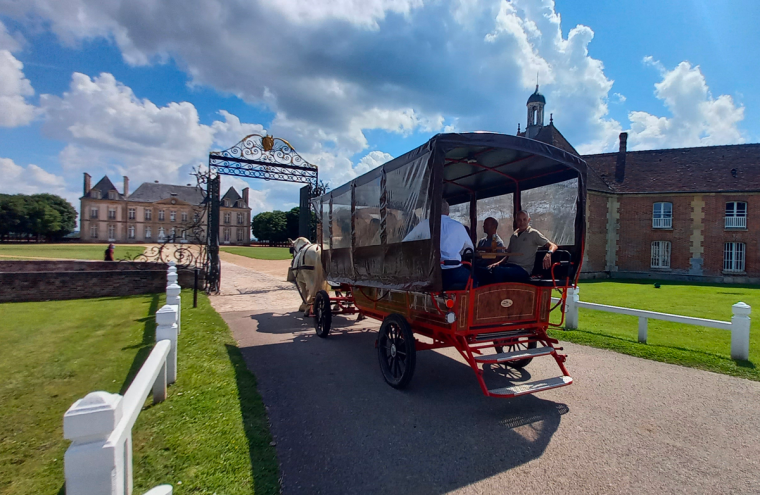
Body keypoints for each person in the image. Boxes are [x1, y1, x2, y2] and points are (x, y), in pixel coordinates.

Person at [403, 199, 474, 290]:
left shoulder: (424, 224)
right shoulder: (459, 226)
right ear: (448, 212)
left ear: (434, 211)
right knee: (474, 280)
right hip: (454, 270)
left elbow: (405, 243)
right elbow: (469, 249)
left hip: (430, 272)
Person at [487, 210, 557, 283]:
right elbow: (508, 255)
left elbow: (553, 245)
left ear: (528, 220)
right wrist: (497, 263)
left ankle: (499, 293)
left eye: (524, 219)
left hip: (523, 269)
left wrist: (549, 253)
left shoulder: (533, 233)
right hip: (509, 266)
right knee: (486, 270)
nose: (522, 222)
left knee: (498, 271)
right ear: (516, 221)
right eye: (519, 220)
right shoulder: (514, 236)